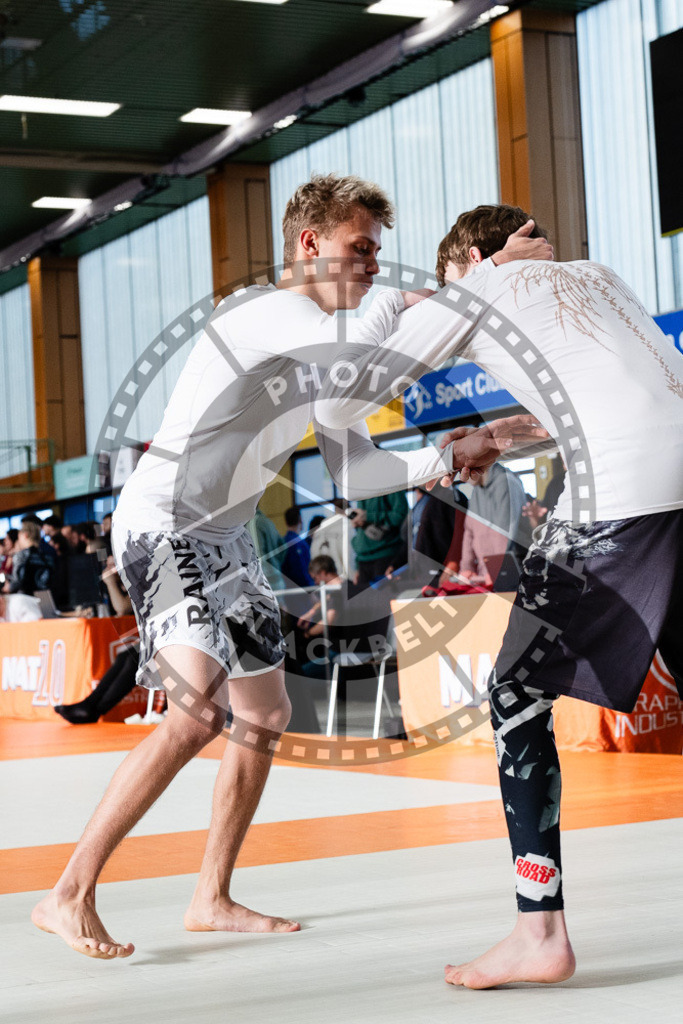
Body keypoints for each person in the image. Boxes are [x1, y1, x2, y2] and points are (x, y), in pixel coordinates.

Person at [31, 176, 549, 961]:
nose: (376, 265)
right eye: (361, 249)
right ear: (310, 245)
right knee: (198, 707)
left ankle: (210, 895)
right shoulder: (265, 314)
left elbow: (357, 472)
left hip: (229, 539)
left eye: (379, 251)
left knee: (264, 713)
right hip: (165, 524)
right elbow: (358, 360)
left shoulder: (316, 354)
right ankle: (67, 893)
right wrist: (458, 291)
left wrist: (443, 456)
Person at [316, 202, 683, 988]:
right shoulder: (596, 276)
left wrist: (406, 303)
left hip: (621, 489)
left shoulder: (470, 288)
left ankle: (538, 931)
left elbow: (346, 394)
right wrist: (502, 435)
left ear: (468, 259)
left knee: (514, 692)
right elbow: (601, 388)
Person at [458, 462, 532, 586]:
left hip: (511, 571)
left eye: (461, 470)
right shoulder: (477, 490)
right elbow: (469, 533)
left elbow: (504, 533)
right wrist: (466, 568)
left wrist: (495, 570)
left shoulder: (506, 482)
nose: (461, 477)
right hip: (488, 573)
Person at [351, 490, 408, 586]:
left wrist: (367, 516)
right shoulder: (360, 488)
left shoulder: (390, 484)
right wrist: (358, 567)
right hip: (363, 561)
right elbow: (362, 534)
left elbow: (400, 515)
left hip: (385, 557)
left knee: (382, 599)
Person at [309, 497, 356, 578]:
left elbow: (313, 555)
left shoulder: (320, 530)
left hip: (323, 579)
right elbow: (351, 556)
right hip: (345, 579)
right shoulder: (349, 527)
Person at [4, 522, 52, 596]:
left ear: (25, 535)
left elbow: (17, 581)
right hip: (46, 597)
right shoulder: (47, 556)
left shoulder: (20, 556)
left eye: (19, 537)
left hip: (26, 599)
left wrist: (8, 587)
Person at [281, 506, 314, 588]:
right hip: (302, 589)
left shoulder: (282, 541)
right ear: (300, 520)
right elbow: (301, 570)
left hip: (288, 587)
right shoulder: (299, 544)